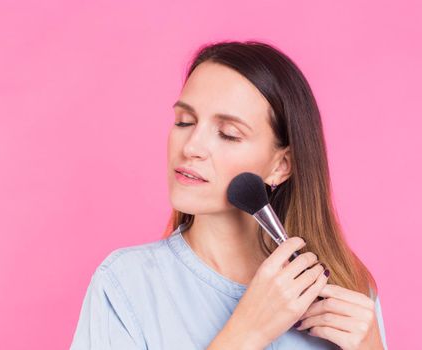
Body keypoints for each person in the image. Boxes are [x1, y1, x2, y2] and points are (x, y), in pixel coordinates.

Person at [70, 40, 388, 350]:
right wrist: (245, 335)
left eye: (228, 134)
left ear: (281, 165)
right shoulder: (126, 284)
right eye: (184, 121)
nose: (191, 147)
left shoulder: (347, 288)